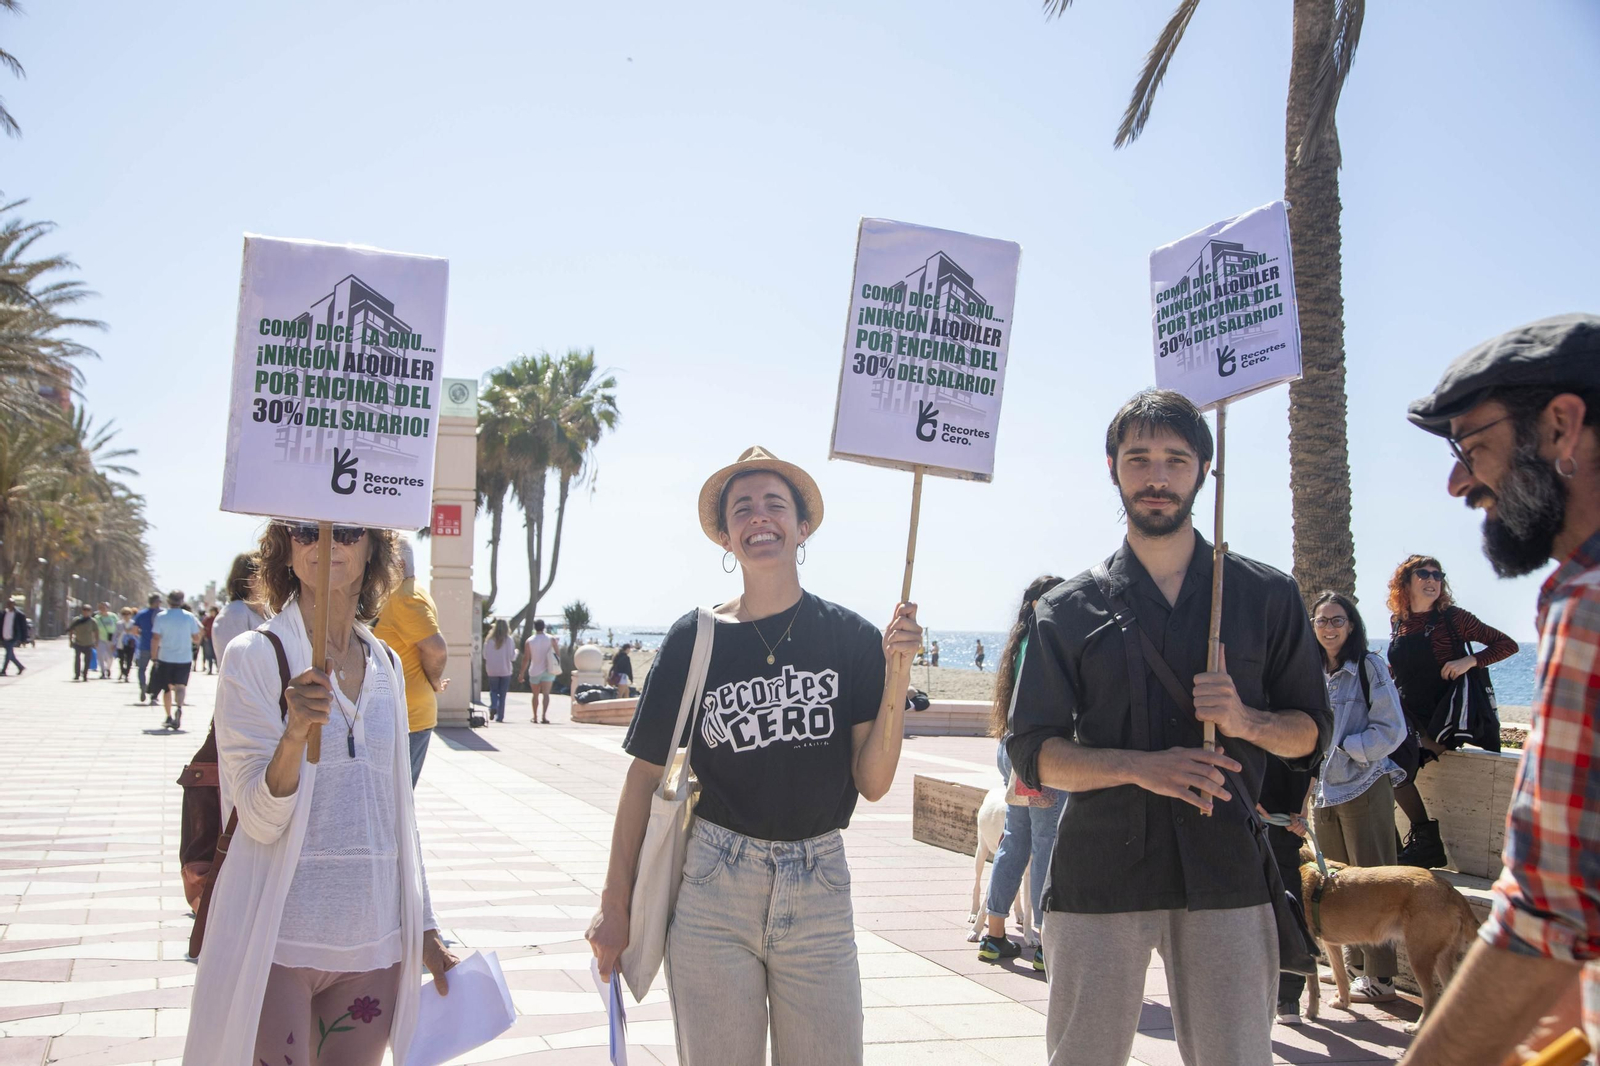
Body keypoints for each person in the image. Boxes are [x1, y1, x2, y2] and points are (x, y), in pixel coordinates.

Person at [1006, 390, 1330, 1066]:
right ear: (1112, 468)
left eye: (1176, 460)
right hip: (1100, 871)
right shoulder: (1065, 609)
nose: (1158, 477)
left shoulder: (1267, 596)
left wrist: (1245, 719)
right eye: (1140, 459)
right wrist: (1138, 767)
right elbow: (1033, 754)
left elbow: (1309, 733)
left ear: (1204, 471)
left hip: (1228, 871)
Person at [586, 445, 921, 1066]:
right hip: (714, 884)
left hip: (819, 884)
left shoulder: (847, 636)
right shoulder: (694, 638)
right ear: (725, 535)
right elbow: (642, 780)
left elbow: (872, 782)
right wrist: (614, 907)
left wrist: (896, 673)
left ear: (802, 527)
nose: (758, 517)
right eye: (742, 508)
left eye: (775, 504)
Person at [1399, 314, 1600, 1064]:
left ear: (1560, 427)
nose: (1457, 480)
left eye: (1471, 444)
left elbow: (1550, 918)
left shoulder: (1588, 605)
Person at [182, 520, 456, 1065]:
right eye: (303, 531)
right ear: (285, 550)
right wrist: (294, 735)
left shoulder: (384, 664)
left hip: (374, 943)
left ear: (375, 548)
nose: (323, 543)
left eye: (346, 531)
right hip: (275, 942)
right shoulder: (253, 658)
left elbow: (397, 811)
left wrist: (424, 926)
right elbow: (258, 820)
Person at [1306, 590, 1409, 1008]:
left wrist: (1348, 748)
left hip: (1364, 785)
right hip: (1324, 791)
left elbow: (1392, 728)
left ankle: (1382, 977)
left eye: (1337, 620)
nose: (1329, 627)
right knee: (1336, 884)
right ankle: (1351, 968)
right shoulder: (1309, 669)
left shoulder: (1367, 666)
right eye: (1321, 620)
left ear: (1351, 625)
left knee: (1373, 881)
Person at [1384, 553, 1517, 868]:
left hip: (1445, 718)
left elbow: (1507, 644)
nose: (1432, 580)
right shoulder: (1398, 621)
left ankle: (1425, 841)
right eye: (1423, 574)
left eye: (1437, 575)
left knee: (1390, 765)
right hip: (1406, 714)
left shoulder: (1453, 618)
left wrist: (1468, 661)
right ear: (1406, 582)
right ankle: (1408, 843)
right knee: (1379, 765)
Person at [979, 576, 1065, 973]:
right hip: (1039, 757)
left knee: (1016, 841)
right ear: (1040, 604)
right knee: (1046, 844)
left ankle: (994, 935)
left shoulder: (1019, 642)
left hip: (1012, 751)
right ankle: (1047, 945)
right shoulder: (1046, 641)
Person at [373, 539, 448, 786]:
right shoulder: (411, 593)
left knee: (395, 803)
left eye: (382, 562)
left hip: (408, 717)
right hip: (408, 715)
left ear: (400, 564)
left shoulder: (406, 598)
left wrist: (434, 681)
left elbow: (436, 649)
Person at [150, 590, 202, 729]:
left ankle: (168, 716)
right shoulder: (189, 617)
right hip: (184, 658)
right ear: (181, 601)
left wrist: (154, 657)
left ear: (168, 601)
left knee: (167, 688)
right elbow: (196, 637)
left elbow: (155, 638)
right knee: (180, 686)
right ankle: (179, 707)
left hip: (165, 657)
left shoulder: (161, 617)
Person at [213, 553, 267, 657]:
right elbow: (236, 664)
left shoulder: (264, 611)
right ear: (252, 580)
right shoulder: (234, 614)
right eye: (269, 574)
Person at [518, 619, 558, 723]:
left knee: (535, 695)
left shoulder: (530, 641)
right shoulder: (551, 639)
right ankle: (544, 716)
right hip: (548, 670)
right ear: (544, 627)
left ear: (534, 627)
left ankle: (535, 717)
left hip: (534, 670)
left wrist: (522, 673)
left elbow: (526, 658)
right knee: (546, 694)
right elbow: (557, 654)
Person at [483, 618, 515, 722]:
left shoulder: (489, 640)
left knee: (493, 691)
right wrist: (517, 652)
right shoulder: (509, 640)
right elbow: (512, 657)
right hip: (505, 670)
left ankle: (493, 706)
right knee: (502, 694)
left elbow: (485, 655)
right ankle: (500, 716)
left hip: (492, 670)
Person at [134, 593, 161, 701]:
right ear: (155, 602)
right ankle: (153, 692)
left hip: (144, 646)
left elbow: (134, 631)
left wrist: (143, 634)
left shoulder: (141, 614)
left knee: (141, 669)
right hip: (158, 647)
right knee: (156, 670)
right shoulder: (162, 614)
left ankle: (143, 686)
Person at [68, 603, 99, 681]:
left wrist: (96, 642)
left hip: (88, 643)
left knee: (87, 660)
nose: (86, 612)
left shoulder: (92, 621)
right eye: (84, 610)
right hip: (78, 642)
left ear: (90, 612)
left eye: (88, 610)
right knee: (77, 659)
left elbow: (96, 632)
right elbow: (71, 630)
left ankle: (85, 674)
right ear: (82, 611)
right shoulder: (77, 620)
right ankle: (77, 674)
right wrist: (71, 640)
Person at [0, 595, 28, 675]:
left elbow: (23, 628)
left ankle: (3, 670)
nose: (9, 605)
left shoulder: (19, 615)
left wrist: (23, 639)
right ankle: (20, 667)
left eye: (11, 603)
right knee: (10, 655)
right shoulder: (3, 614)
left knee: (8, 654)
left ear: (14, 604)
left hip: (13, 637)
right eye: (8, 603)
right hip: (4, 636)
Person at [94, 602, 117, 679]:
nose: (103, 609)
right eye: (101, 608)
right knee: (100, 655)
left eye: (105, 607)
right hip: (100, 639)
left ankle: (108, 669)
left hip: (111, 639)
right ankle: (103, 672)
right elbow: (94, 629)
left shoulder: (113, 616)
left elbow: (118, 627)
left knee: (110, 656)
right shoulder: (97, 617)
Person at [115, 606, 138, 681]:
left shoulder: (134, 623)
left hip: (130, 643)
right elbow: (116, 634)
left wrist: (131, 631)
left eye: (128, 613)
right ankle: (122, 671)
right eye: (124, 614)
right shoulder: (119, 623)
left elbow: (137, 633)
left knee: (129, 660)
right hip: (121, 643)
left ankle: (126, 674)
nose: (126, 615)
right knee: (121, 659)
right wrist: (113, 643)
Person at [199, 606, 219, 673]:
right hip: (208, 639)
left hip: (216, 639)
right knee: (209, 654)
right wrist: (204, 636)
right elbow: (202, 627)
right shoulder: (207, 619)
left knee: (216, 654)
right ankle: (210, 669)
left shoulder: (219, 618)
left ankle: (218, 668)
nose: (211, 613)